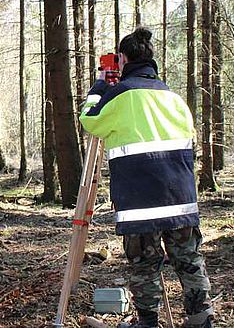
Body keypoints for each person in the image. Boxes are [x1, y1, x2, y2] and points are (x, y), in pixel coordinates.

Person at [80, 28, 215, 328]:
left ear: (123, 59)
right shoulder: (173, 98)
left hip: (141, 202)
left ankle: (148, 322)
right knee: (189, 259)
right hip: (180, 198)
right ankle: (201, 317)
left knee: (144, 264)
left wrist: (99, 85)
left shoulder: (119, 96)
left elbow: (89, 119)